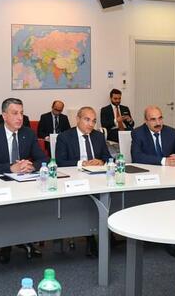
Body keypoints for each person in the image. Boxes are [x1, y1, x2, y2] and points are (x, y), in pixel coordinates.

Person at [0, 98, 47, 263]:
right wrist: (10, 168)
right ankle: (6, 244)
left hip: (25, 184)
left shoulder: (28, 133)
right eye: (15, 113)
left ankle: (26, 238)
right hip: (0, 186)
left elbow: (43, 159)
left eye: (21, 113)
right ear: (4, 116)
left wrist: (31, 166)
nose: (20, 117)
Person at [55, 106, 110, 257]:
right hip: (75, 179)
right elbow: (60, 162)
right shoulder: (65, 137)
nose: (91, 124)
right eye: (87, 120)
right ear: (77, 119)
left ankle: (104, 230)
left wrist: (101, 161)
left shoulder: (98, 136)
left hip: (97, 178)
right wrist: (82, 163)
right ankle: (90, 235)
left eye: (94, 121)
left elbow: (107, 157)